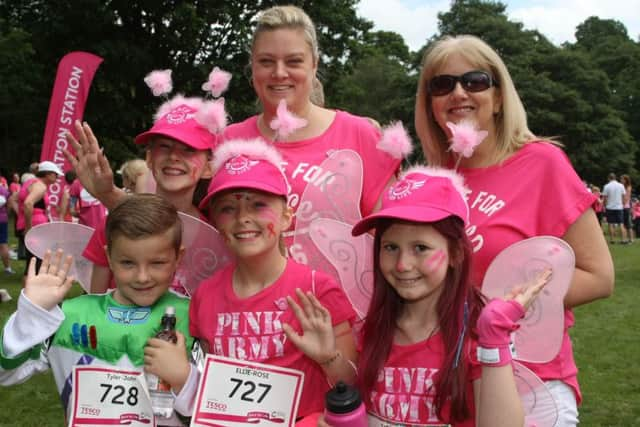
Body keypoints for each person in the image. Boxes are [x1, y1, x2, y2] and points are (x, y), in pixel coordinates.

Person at [414, 35, 614, 426]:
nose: (458, 93)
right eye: (442, 85)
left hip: (531, 377)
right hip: (449, 380)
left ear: (500, 95)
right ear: (430, 103)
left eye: (474, 81)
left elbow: (599, 277)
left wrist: (503, 309)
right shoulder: (431, 179)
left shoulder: (542, 163)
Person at [315, 167, 549, 426]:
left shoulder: (475, 335)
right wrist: (330, 360)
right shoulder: (377, 326)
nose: (403, 264)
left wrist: (493, 340)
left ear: (456, 253)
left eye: (421, 248)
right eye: (391, 247)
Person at [155, 139, 358, 422]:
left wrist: (328, 358)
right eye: (227, 208)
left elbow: (353, 385)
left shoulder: (317, 289)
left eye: (259, 205)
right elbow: (211, 389)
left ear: (287, 217)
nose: (243, 218)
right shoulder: (205, 295)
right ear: (215, 222)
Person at [223, 5, 401, 259]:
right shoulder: (229, 141)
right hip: (252, 297)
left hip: (337, 298)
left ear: (314, 65)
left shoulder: (359, 134)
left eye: (294, 61)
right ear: (252, 67)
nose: (279, 73)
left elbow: (392, 239)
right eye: (266, 62)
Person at [0, 194, 193, 426]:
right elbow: (6, 374)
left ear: (178, 258)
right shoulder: (69, 316)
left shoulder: (194, 318)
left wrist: (185, 379)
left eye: (157, 263)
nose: (143, 277)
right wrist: (32, 315)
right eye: (128, 263)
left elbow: (217, 408)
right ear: (109, 258)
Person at [65, 96, 218, 293]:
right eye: (164, 146)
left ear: (209, 167)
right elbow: (96, 303)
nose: (173, 157)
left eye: (188, 149)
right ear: (149, 159)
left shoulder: (214, 235)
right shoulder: (116, 221)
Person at [16, 161, 64, 278]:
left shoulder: (29, 182)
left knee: (31, 264)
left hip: (27, 225)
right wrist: (29, 228)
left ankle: (27, 294)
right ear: (47, 174)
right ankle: (31, 294)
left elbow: (19, 201)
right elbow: (28, 203)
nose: (57, 177)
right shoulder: (40, 186)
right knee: (36, 265)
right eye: (55, 174)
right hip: (35, 228)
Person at [602, 173, 627, 244]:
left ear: (609, 178)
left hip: (610, 207)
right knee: (621, 224)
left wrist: (605, 205)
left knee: (610, 223)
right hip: (619, 207)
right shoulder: (621, 185)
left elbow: (605, 198)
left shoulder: (606, 186)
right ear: (615, 178)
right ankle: (623, 240)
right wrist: (623, 204)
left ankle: (612, 239)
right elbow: (623, 196)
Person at [0, 183, 13, 274]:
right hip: (2, 219)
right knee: (3, 243)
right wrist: (6, 213)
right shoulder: (3, 190)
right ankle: (7, 268)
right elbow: (10, 203)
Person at [621, 174, 633, 243]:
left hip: (626, 207)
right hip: (623, 207)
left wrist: (622, 204)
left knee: (628, 224)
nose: (621, 180)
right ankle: (625, 239)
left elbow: (627, 197)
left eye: (622, 179)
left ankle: (631, 239)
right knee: (624, 224)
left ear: (626, 180)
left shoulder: (628, 187)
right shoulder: (622, 187)